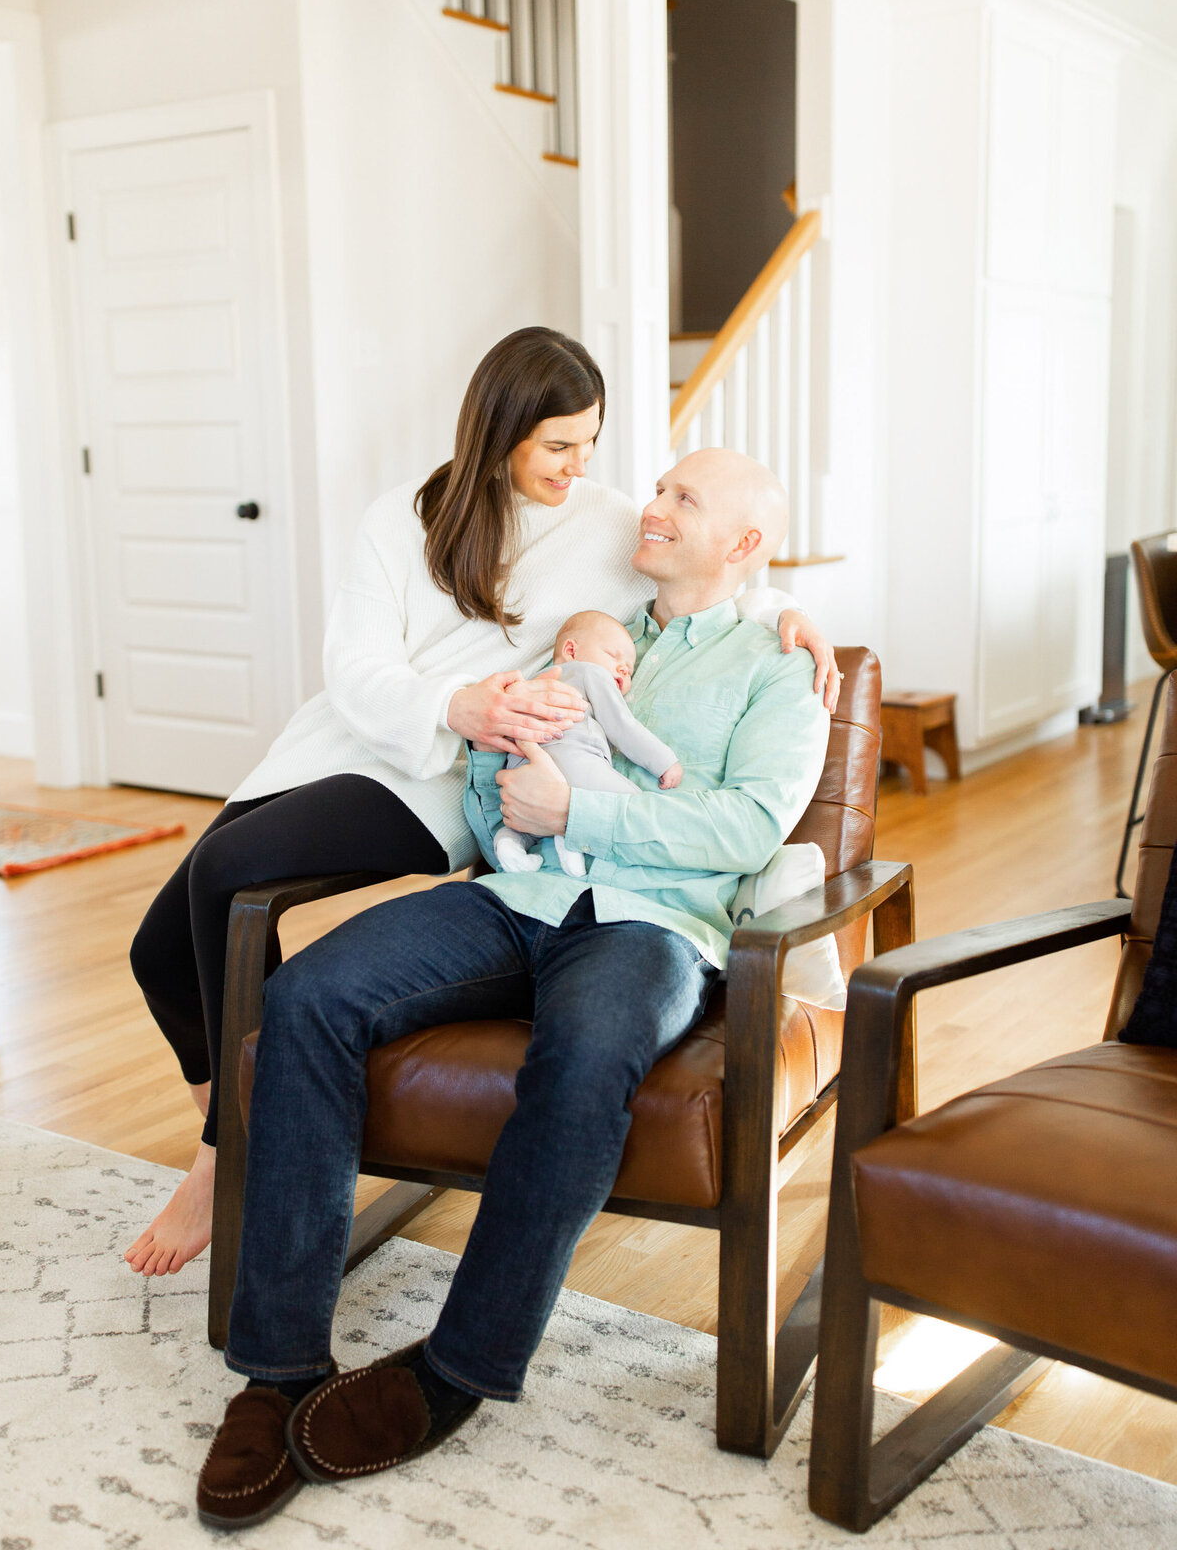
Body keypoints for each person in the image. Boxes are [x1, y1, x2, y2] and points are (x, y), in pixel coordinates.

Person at [194, 448, 830, 1531]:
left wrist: (578, 813)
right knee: (305, 997)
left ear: (747, 544)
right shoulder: (592, 631)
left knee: (585, 1058)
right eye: (661, 487)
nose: (654, 504)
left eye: (685, 497)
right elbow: (501, 796)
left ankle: (458, 1366)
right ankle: (279, 1367)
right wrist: (507, 786)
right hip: (517, 896)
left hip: (654, 926)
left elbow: (747, 828)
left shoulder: (780, 663)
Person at [124, 328, 839, 1280]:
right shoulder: (403, 517)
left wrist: (788, 611)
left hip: (451, 776)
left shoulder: (605, 522)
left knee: (226, 870)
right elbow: (354, 668)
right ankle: (240, 1117)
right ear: (498, 429)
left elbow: (712, 567)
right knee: (157, 948)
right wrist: (449, 702)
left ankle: (226, 1154)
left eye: (590, 443)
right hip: (361, 736)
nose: (580, 467)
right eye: (557, 445)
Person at [493, 609, 683, 877]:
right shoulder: (589, 673)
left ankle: (508, 842)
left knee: (521, 824)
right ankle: (568, 838)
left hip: (522, 769)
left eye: (629, 670)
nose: (623, 669)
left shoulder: (532, 682)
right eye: (613, 656)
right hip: (574, 761)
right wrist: (665, 762)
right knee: (635, 809)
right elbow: (622, 727)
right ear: (571, 650)